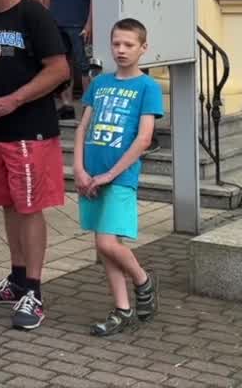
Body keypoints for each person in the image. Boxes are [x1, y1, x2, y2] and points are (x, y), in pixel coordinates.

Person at [0, 0, 70, 330]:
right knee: (9, 205)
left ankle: (34, 290)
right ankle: (15, 279)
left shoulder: (33, 15)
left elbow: (59, 69)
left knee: (30, 207)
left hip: (30, 129)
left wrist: (14, 99)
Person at [73, 18, 161, 337]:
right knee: (106, 246)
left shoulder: (147, 87)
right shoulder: (99, 83)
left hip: (119, 178)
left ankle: (142, 280)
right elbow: (83, 127)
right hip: (91, 177)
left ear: (143, 48)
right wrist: (79, 169)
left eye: (129, 45)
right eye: (116, 44)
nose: (121, 50)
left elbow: (144, 138)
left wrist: (111, 173)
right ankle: (122, 309)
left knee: (106, 242)